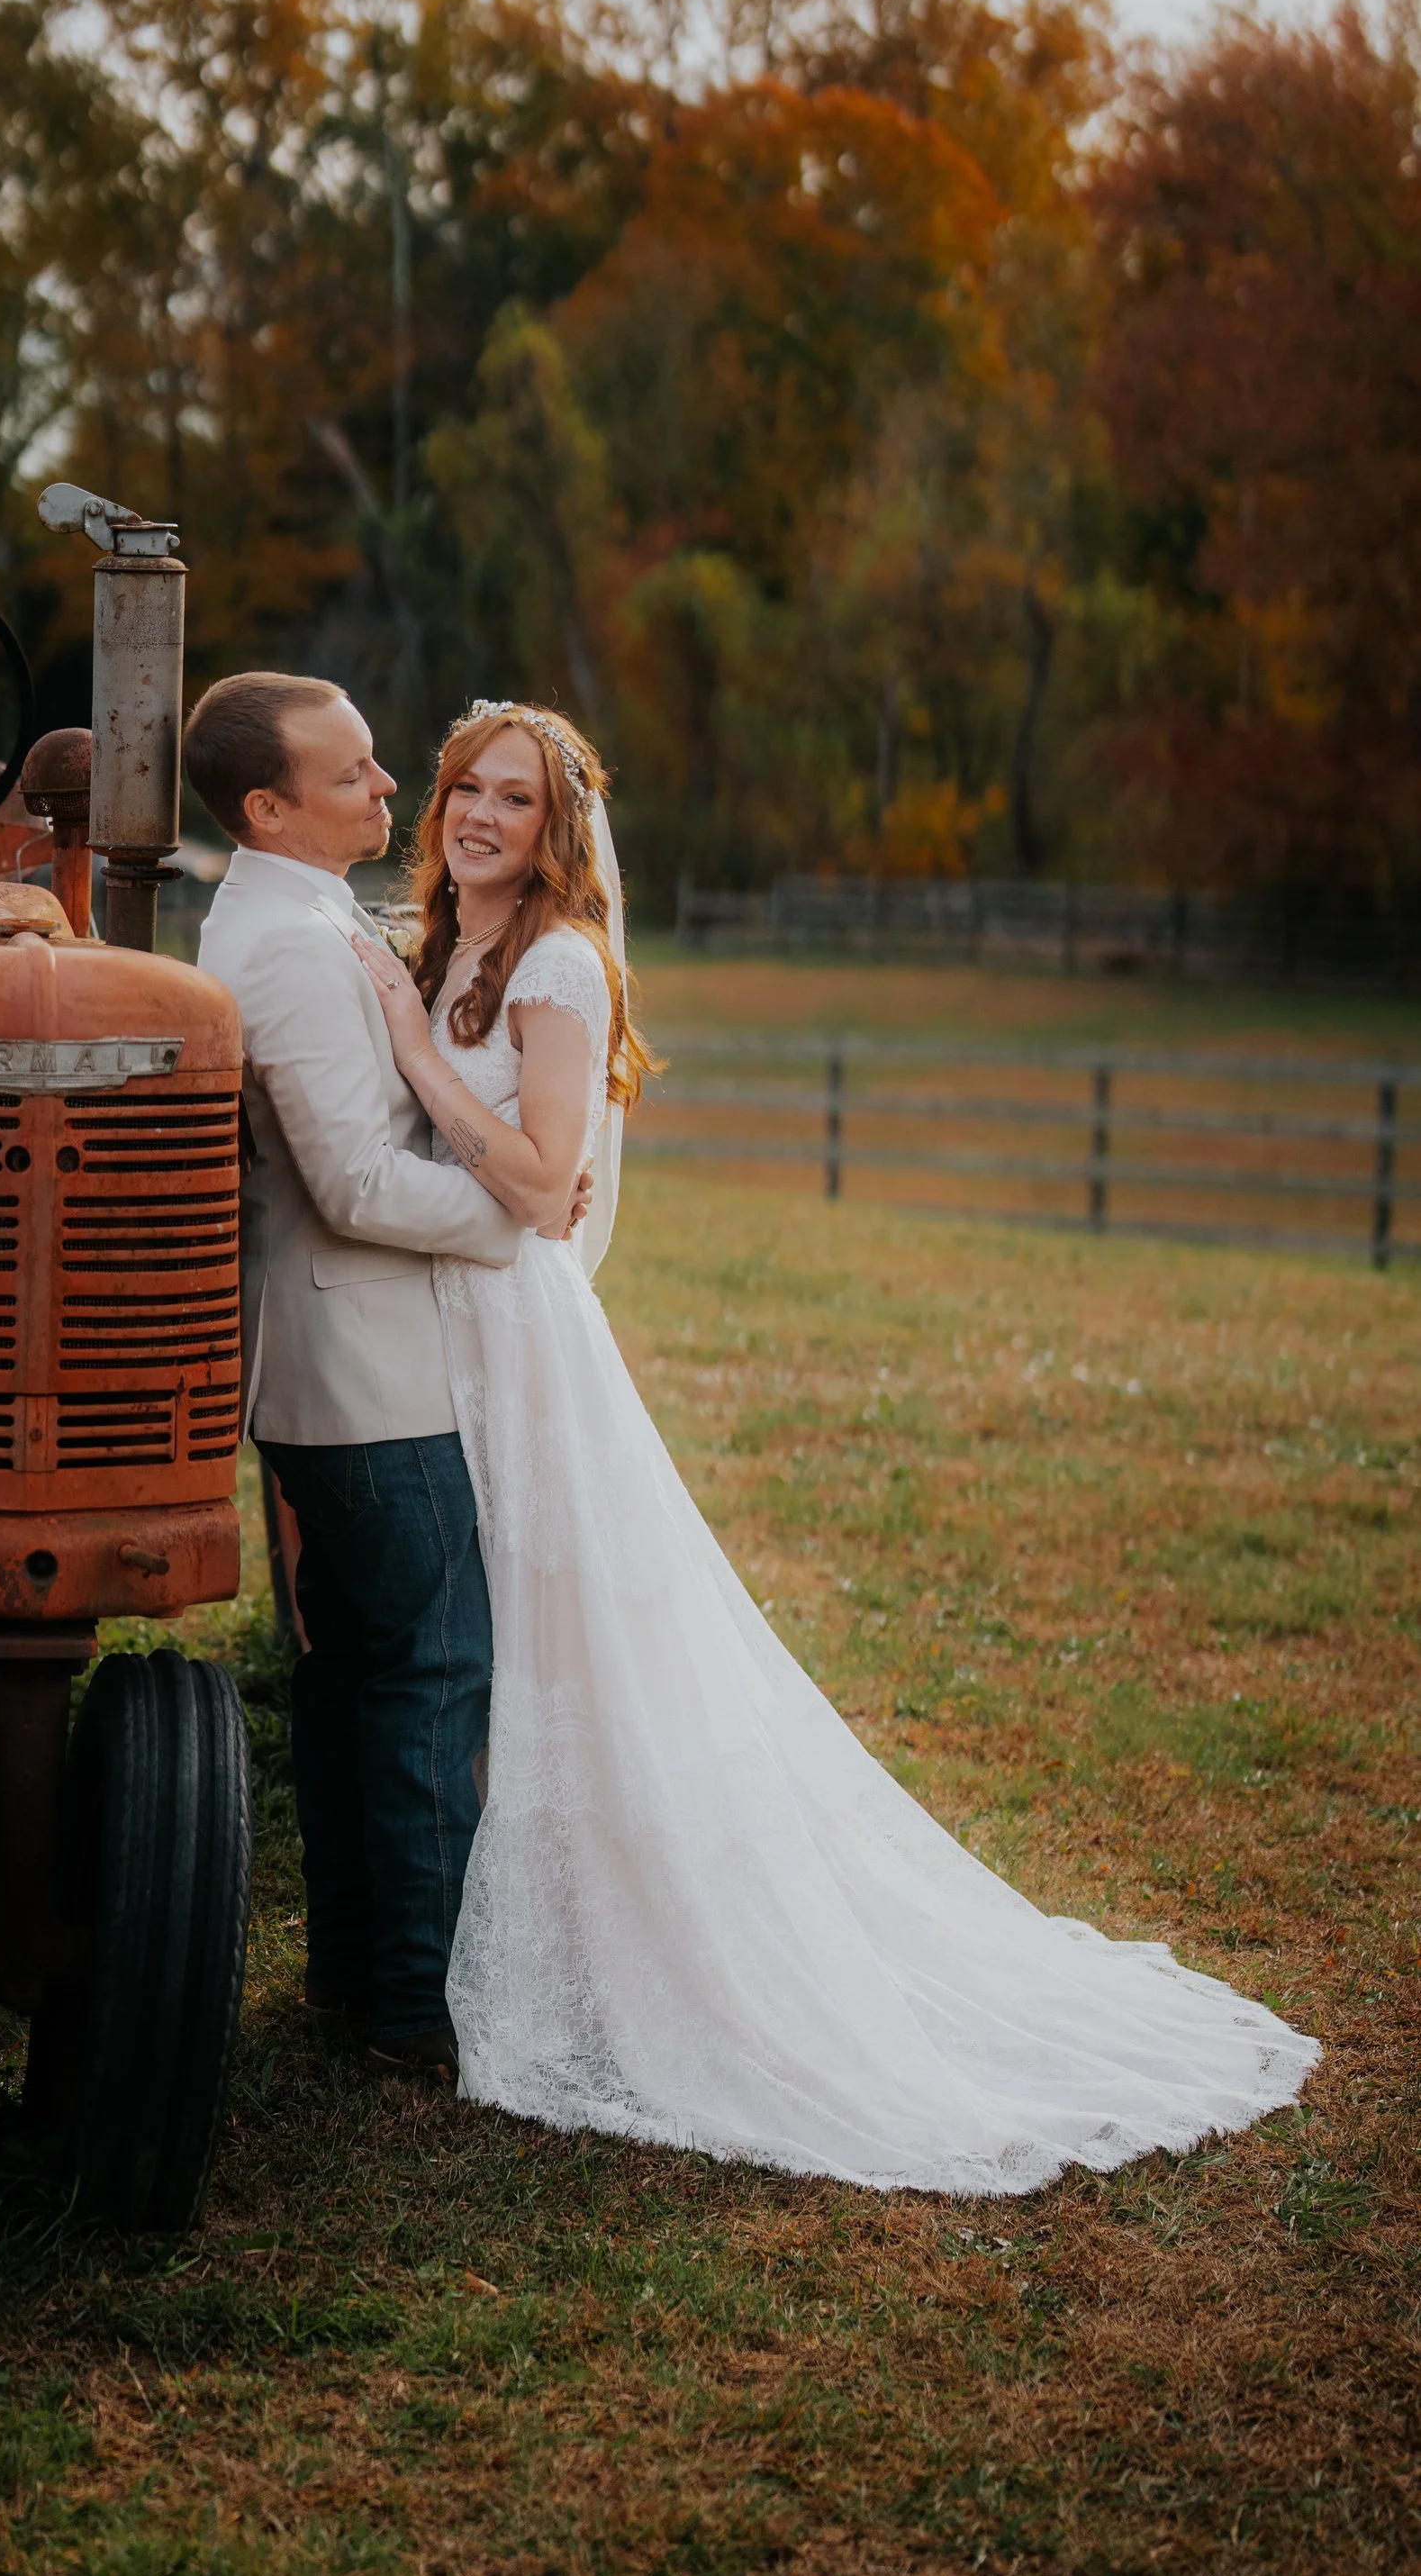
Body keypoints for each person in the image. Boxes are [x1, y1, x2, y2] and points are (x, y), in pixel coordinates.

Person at [348, 698, 1319, 2193]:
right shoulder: (447, 945)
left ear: (557, 834)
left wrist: (414, 1056)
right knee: (480, 1637)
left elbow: (548, 1192)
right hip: (438, 1339)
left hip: (520, 1347)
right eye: (464, 789)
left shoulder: (552, 964)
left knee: (563, 1646)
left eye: (515, 801)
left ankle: (619, 1950)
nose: (480, 815)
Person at [189, 673, 579, 2082]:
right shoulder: (288, 945)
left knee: (360, 1682)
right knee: (426, 1676)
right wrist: (528, 1209)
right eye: (352, 775)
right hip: (369, 1376)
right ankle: (416, 2007)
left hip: (336, 1371)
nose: (388, 795)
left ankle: (361, 1975)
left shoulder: (293, 916)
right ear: (269, 808)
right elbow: (351, 1182)